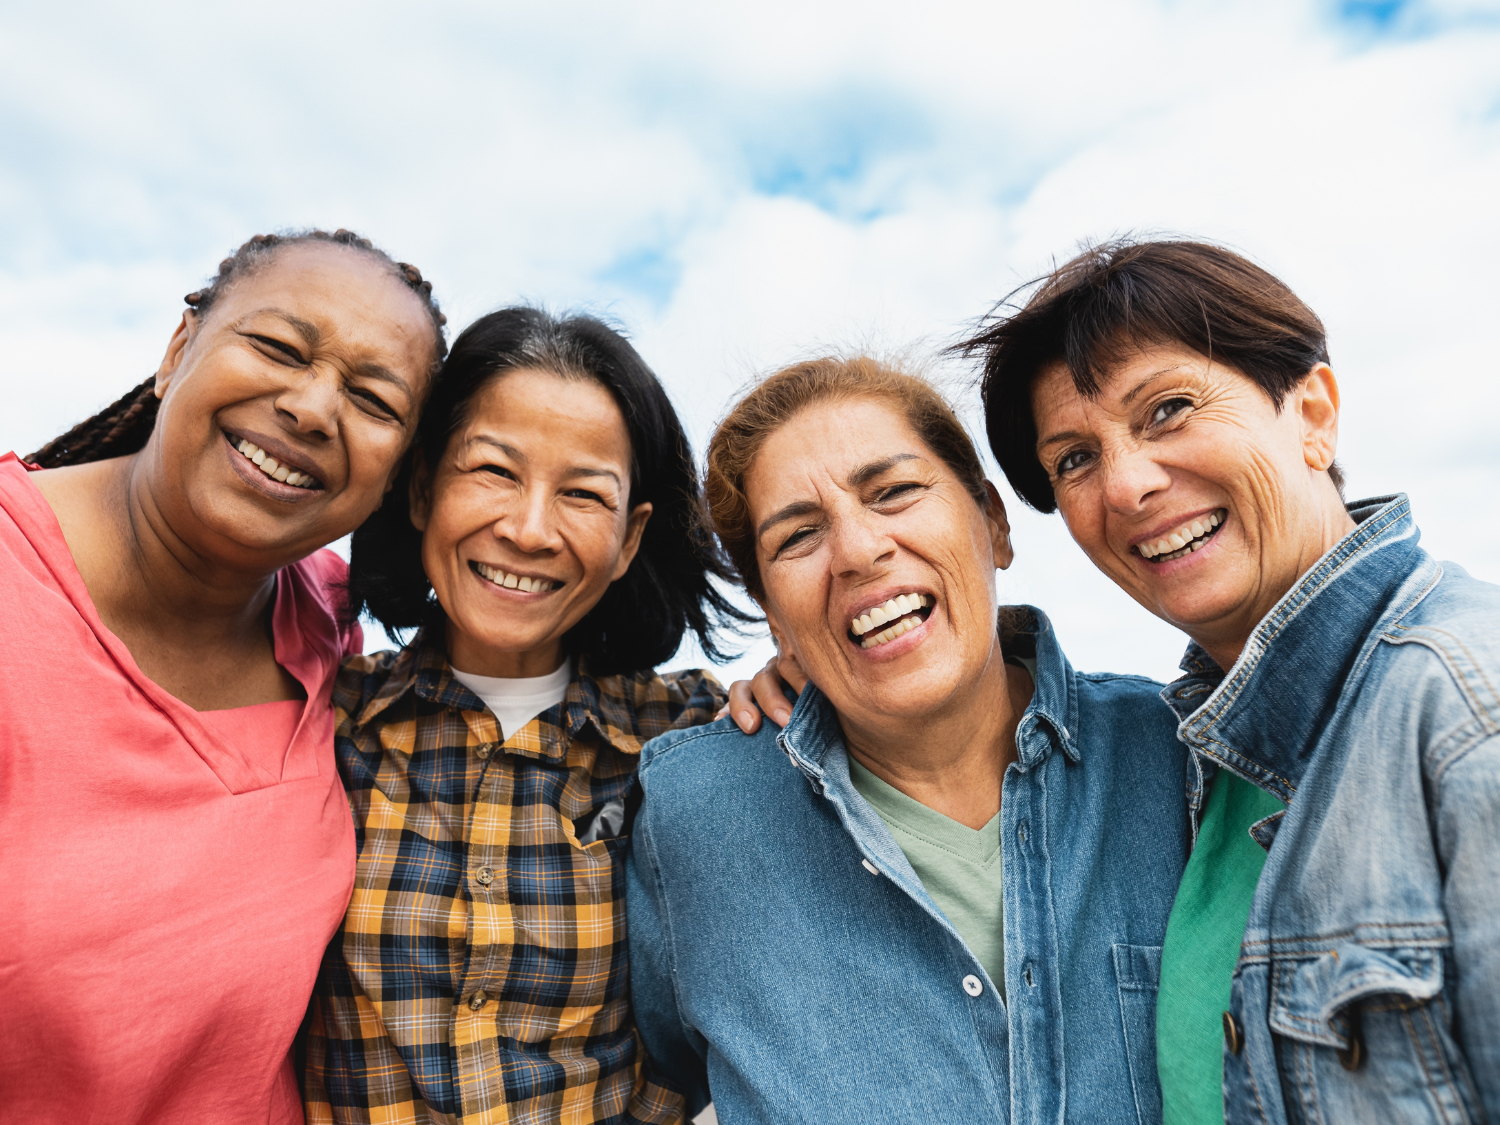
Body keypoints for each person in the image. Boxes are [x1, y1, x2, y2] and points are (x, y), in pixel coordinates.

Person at [960, 238, 1500, 1124]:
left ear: (1314, 414)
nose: (1128, 484)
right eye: (1075, 459)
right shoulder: (1178, 759)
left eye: (1169, 408)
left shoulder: (1467, 707)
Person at [627, 356, 1190, 1124]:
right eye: (798, 535)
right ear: (773, 615)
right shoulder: (693, 818)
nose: (859, 550)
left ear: (994, 521)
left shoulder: (1179, 757)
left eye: (893, 491)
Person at [0, 229, 448, 1123]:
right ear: (178, 350)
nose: (316, 407)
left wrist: (789, 675)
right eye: (280, 348)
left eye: (373, 399)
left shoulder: (330, 628)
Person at [303, 307, 749, 1125]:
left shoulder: (700, 741)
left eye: (582, 493)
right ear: (423, 485)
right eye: (494, 471)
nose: (529, 528)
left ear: (627, 538)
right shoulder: (315, 721)